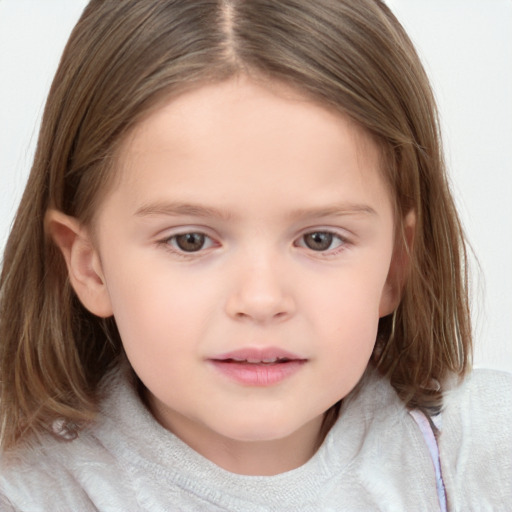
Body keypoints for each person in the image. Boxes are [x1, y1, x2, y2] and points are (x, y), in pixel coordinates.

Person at [0, 0, 510, 510]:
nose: (261, 300)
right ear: (89, 266)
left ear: (396, 265)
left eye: (319, 239)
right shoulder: (27, 493)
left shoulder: (482, 459)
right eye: (190, 240)